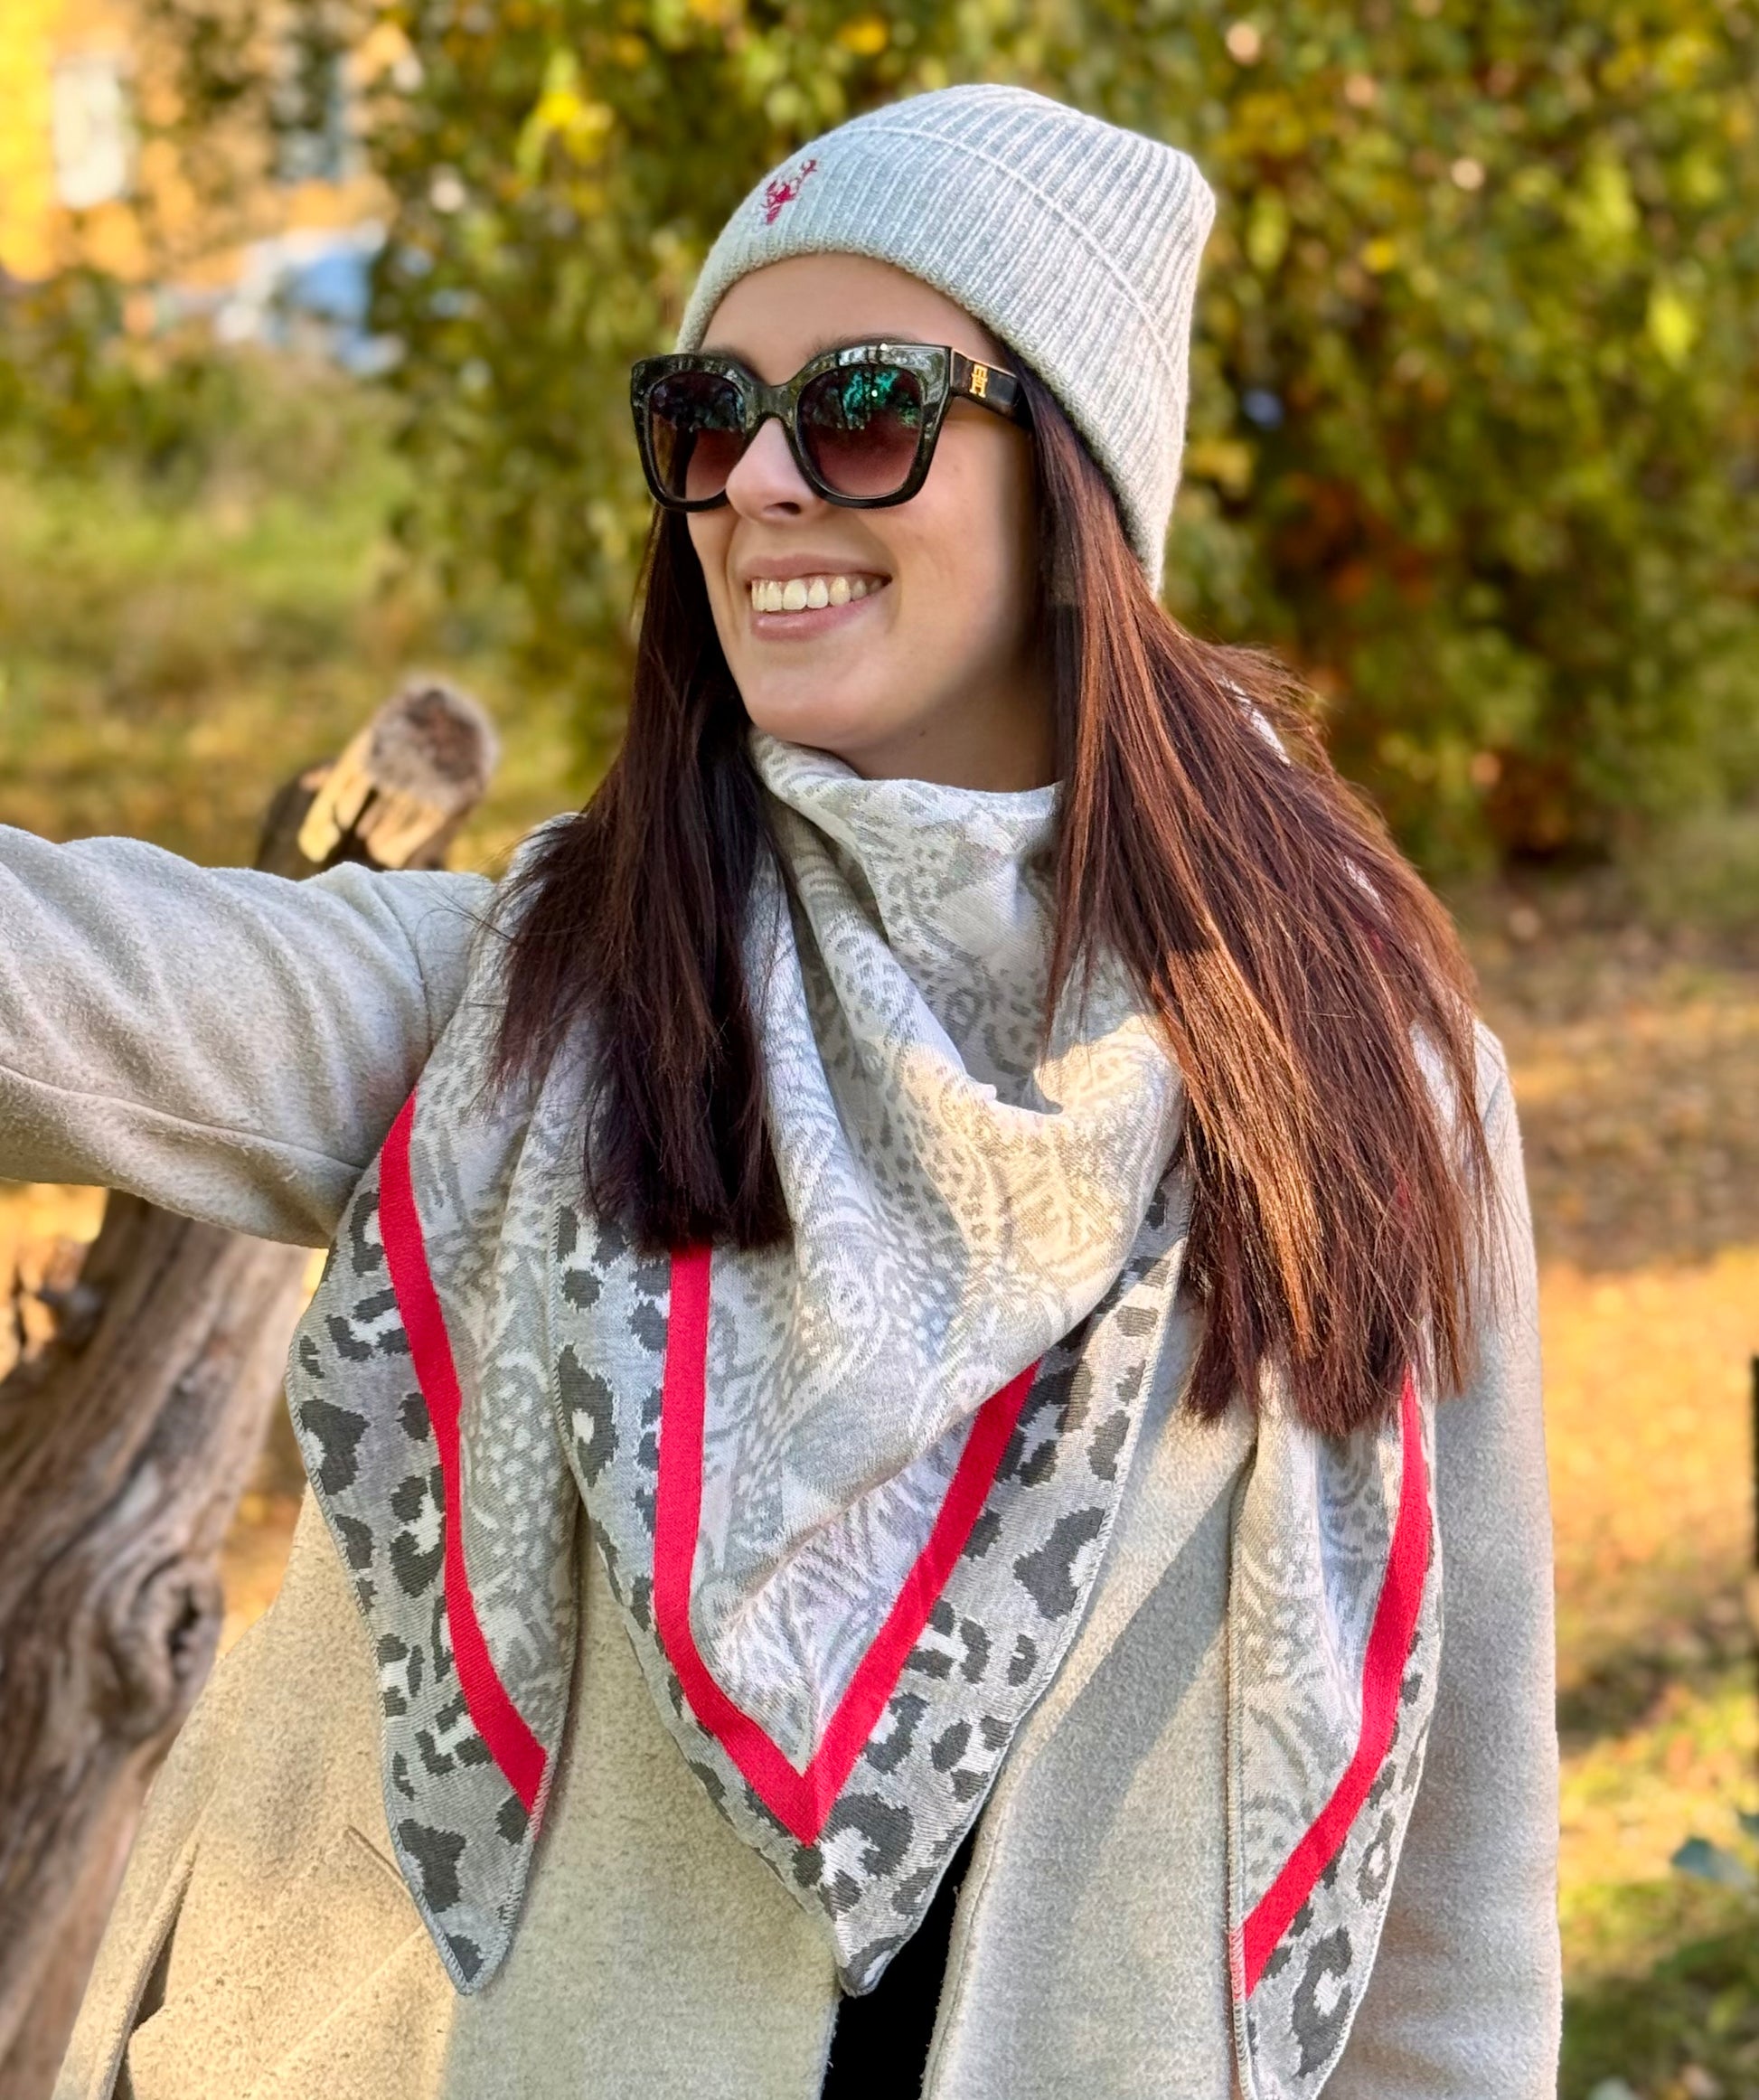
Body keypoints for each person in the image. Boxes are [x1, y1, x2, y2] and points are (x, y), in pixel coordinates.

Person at [10, 84, 1558, 2100]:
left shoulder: (1348, 1078)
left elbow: (1452, 1900)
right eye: (703, 417)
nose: (754, 479)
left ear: (1072, 484)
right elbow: (71, 985)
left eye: (862, 406)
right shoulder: (541, 995)